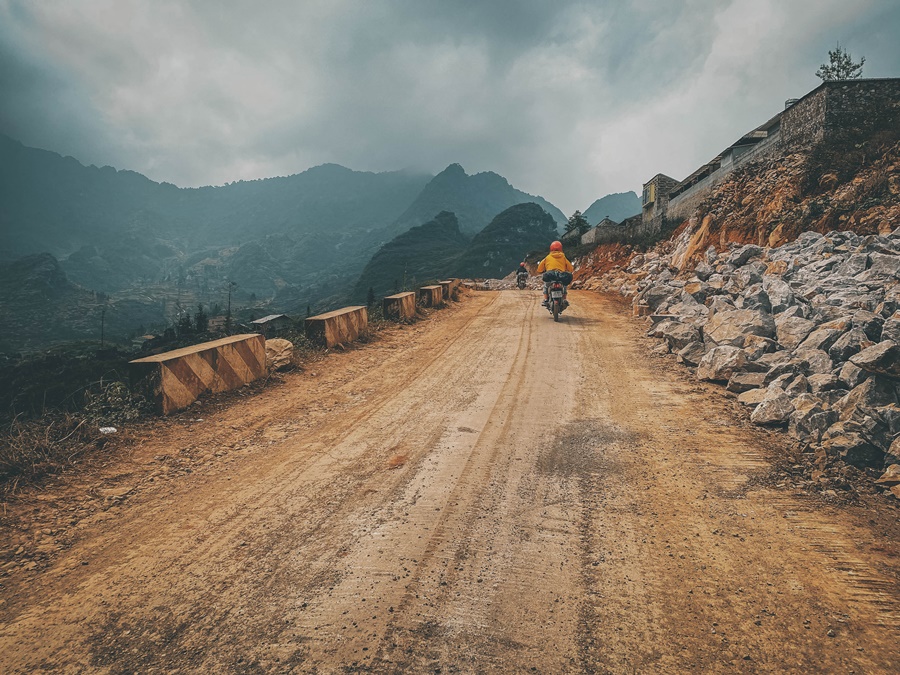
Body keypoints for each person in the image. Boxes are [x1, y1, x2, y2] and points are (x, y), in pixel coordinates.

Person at [536, 241, 573, 306]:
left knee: (546, 286)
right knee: (564, 286)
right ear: (561, 248)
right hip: (561, 275)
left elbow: (540, 268)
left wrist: (540, 270)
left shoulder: (548, 257)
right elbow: (570, 268)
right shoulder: (563, 257)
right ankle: (564, 299)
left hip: (550, 275)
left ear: (551, 248)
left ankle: (545, 300)